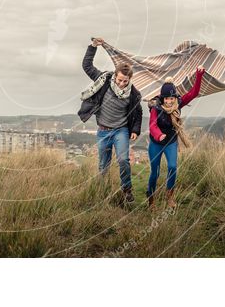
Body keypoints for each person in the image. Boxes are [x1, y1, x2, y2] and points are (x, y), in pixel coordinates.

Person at [78, 37, 142, 204]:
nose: (121, 84)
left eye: (125, 81)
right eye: (119, 80)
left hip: (121, 130)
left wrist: (135, 130)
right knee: (103, 166)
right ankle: (102, 191)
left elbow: (139, 112)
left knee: (123, 160)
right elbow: (87, 66)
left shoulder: (133, 93)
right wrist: (93, 46)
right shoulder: (104, 80)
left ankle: (127, 190)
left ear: (129, 80)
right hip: (103, 130)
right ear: (115, 75)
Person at [147, 67, 205, 209]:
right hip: (156, 143)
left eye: (172, 98)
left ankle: (170, 195)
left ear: (175, 98)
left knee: (172, 167)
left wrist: (199, 75)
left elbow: (194, 93)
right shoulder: (156, 108)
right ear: (162, 98)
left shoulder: (178, 104)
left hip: (171, 142)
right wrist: (159, 135)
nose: (170, 101)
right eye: (167, 98)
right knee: (155, 172)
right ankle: (151, 199)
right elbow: (152, 125)